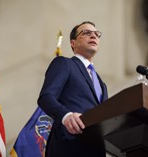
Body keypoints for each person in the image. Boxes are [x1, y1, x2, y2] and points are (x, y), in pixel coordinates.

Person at [37, 21, 108, 157]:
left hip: (96, 149)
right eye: (86, 33)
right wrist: (66, 116)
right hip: (68, 145)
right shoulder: (65, 63)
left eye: (96, 34)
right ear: (73, 43)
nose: (93, 36)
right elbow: (46, 97)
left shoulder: (101, 83)